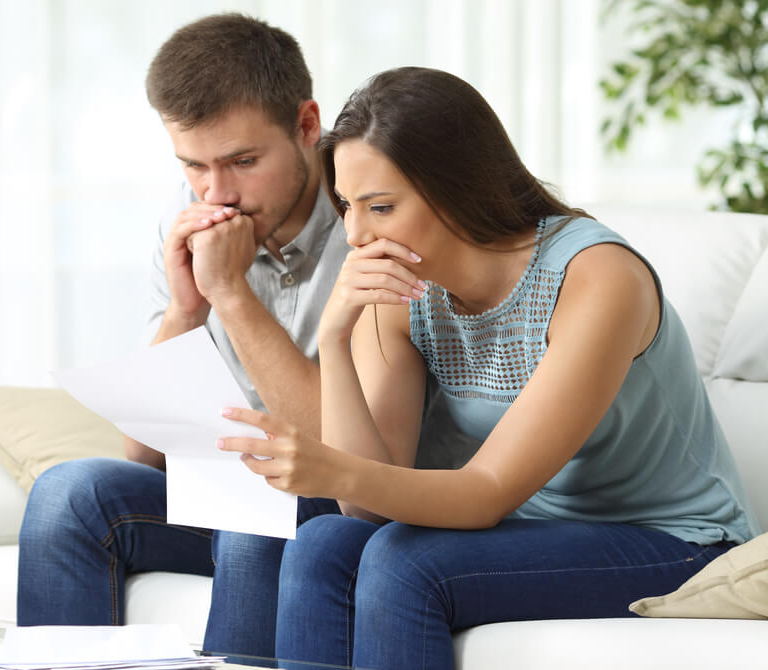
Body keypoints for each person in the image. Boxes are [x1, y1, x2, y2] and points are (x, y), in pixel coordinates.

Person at [214, 67, 761, 670]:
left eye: (382, 207)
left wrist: (331, 467)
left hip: (674, 541)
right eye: (346, 205)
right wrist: (336, 337)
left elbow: (485, 494)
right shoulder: (400, 288)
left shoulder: (598, 277)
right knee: (319, 540)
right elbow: (368, 506)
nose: (356, 233)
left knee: (404, 561)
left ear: (457, 188)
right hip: (529, 529)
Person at [16, 13, 348, 657]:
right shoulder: (185, 214)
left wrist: (231, 293)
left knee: (260, 507)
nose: (217, 192)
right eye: (193, 165)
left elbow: (339, 451)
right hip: (222, 496)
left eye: (243, 161)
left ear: (307, 126)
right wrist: (187, 310)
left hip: (329, 497)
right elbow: (141, 457)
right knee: (68, 495)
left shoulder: (368, 209)